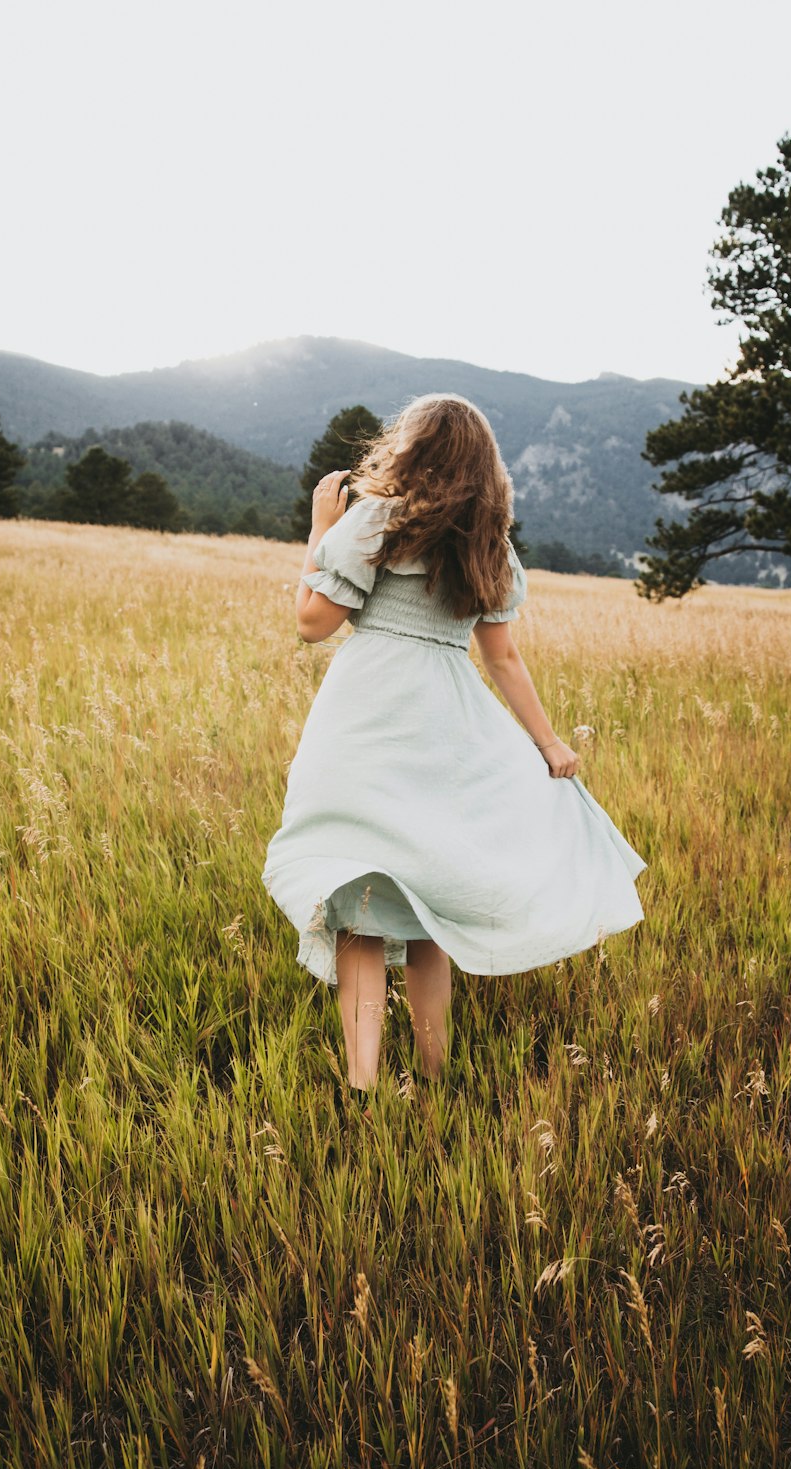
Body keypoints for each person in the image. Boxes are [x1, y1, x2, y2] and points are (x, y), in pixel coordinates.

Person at [261, 393, 647, 1110]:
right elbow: (503, 659)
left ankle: (363, 1085)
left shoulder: (373, 519)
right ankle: (435, 1075)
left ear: (411, 449)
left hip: (367, 718)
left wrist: (319, 531)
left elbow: (313, 624)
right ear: (483, 467)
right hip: (448, 723)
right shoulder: (489, 545)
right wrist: (549, 742)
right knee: (429, 895)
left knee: (359, 898)